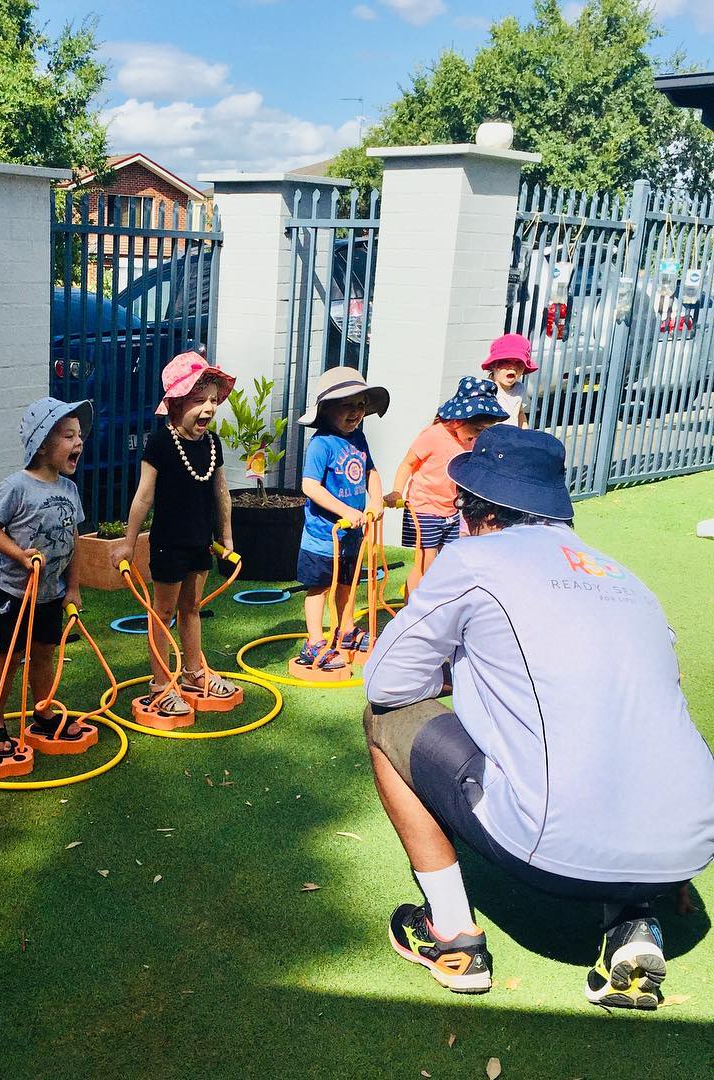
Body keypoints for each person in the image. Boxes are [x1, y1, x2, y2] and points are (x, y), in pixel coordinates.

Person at [363, 424, 714, 1008]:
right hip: (688, 845)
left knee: (384, 720)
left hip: (552, 849)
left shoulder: (473, 557)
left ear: (473, 509)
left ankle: (452, 934)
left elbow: (388, 681)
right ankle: (632, 921)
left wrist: (459, 667)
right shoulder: (622, 574)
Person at [111, 352, 237, 717]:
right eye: (199, 401)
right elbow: (143, 495)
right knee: (161, 613)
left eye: (212, 400)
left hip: (201, 541)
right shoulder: (162, 444)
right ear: (177, 404)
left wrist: (226, 538)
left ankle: (195, 673)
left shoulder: (212, 445)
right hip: (168, 544)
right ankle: (160, 684)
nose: (208, 409)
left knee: (192, 608)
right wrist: (128, 543)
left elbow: (221, 492)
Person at [0, 398, 90, 755]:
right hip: (12, 590)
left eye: (80, 435)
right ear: (42, 444)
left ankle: (43, 714)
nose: (79, 442)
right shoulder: (17, 486)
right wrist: (20, 555)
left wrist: (72, 588)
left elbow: (74, 540)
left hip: (50, 592)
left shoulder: (69, 490)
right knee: (7, 658)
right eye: (68, 436)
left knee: (43, 653)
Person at [293, 367, 388, 670]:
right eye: (347, 405)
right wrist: (346, 510)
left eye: (360, 405)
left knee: (347, 583)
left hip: (352, 534)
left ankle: (345, 630)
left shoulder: (359, 439)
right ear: (326, 409)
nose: (356, 412)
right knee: (320, 586)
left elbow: (370, 471)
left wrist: (375, 500)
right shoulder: (321, 444)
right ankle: (313, 642)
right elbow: (309, 486)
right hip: (324, 535)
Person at [385, 378, 507, 592]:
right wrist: (397, 491)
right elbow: (407, 464)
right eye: (477, 429)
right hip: (424, 509)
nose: (479, 436)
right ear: (459, 420)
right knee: (425, 567)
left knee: (444, 566)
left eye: (484, 431)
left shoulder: (471, 440)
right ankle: (414, 614)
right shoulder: (433, 436)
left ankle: (434, 609)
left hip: (450, 510)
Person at [481, 333, 537, 428]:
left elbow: (519, 412)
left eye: (519, 362)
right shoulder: (484, 389)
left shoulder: (520, 389)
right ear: (493, 365)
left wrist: (525, 433)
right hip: (490, 438)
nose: (513, 366)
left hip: (512, 438)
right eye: (506, 361)